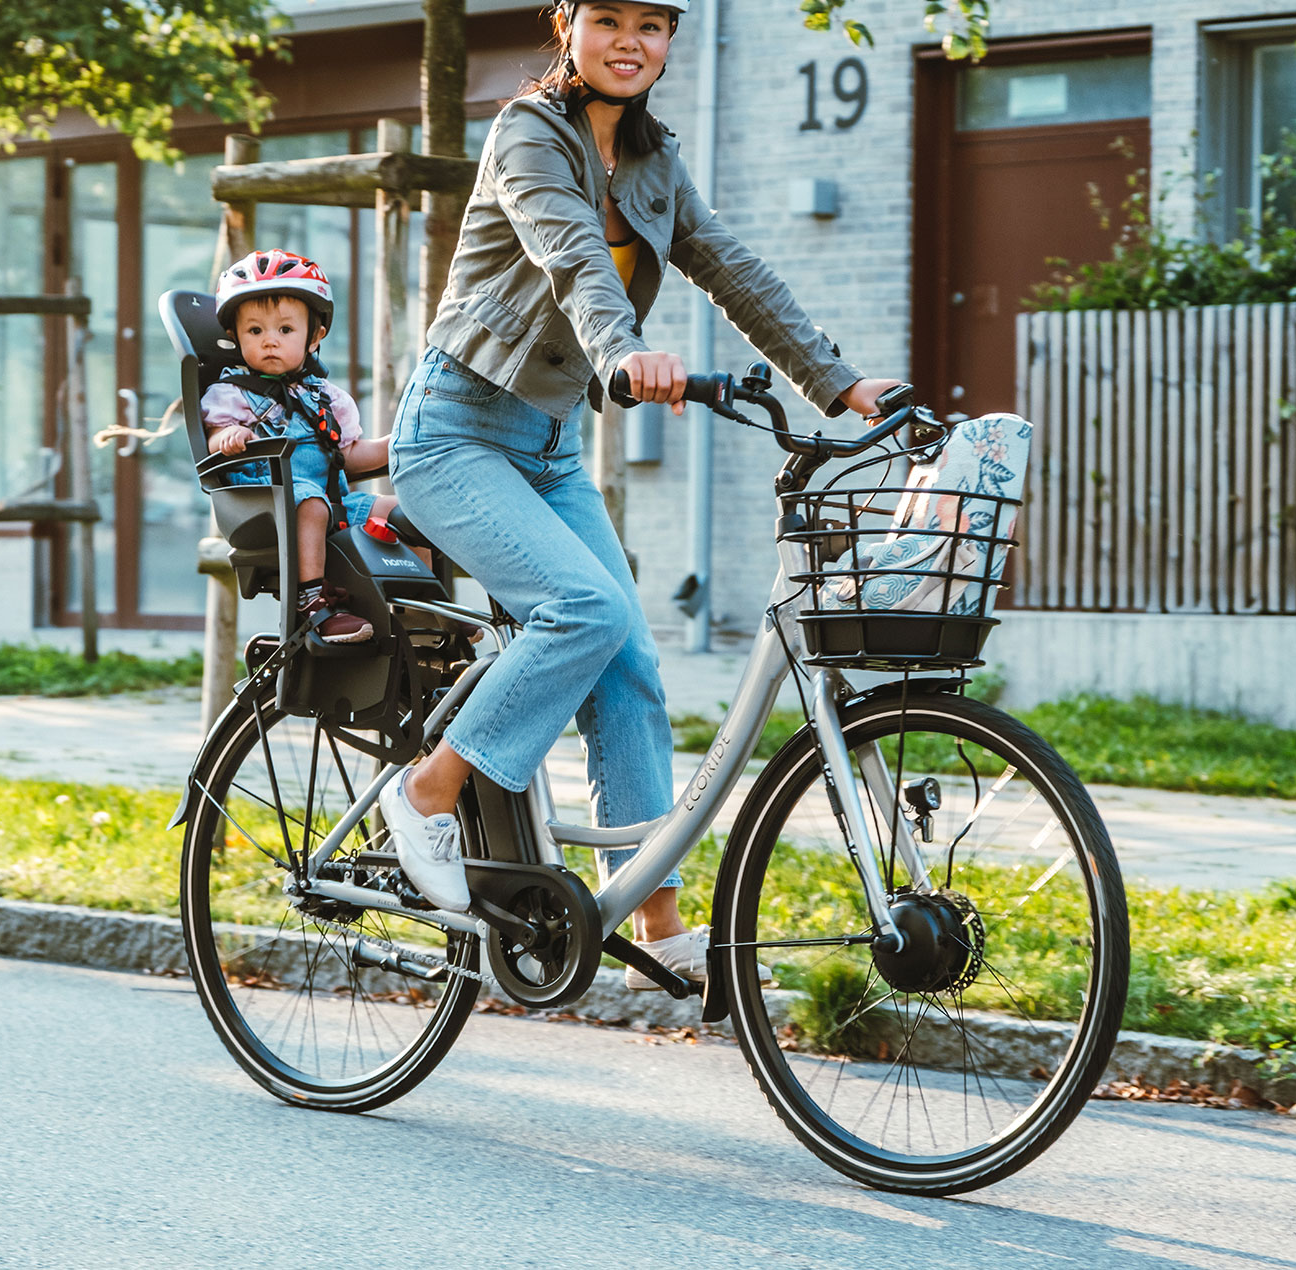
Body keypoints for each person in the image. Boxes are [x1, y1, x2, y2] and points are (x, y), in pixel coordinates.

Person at [377, 0, 902, 987]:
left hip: (550, 443)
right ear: (566, 24)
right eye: (609, 18)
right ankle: (429, 791)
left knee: (629, 667)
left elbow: (730, 267)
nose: (631, 41)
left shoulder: (656, 160)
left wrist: (839, 382)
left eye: (653, 24)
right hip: (454, 435)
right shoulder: (526, 132)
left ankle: (651, 923)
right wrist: (623, 353)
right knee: (581, 608)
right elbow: (569, 249)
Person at [201, 249, 392, 645]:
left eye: (285, 330)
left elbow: (349, 457)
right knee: (309, 501)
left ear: (315, 335)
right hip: (265, 503)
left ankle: (420, 609)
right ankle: (312, 602)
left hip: (327, 501)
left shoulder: (328, 397)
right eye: (255, 331)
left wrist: (400, 446)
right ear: (236, 337)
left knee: (401, 511)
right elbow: (212, 438)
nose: (270, 341)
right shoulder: (230, 393)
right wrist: (228, 438)